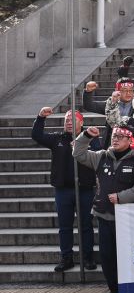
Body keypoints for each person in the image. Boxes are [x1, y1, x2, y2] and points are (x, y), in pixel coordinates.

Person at [73, 126, 134, 293]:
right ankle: (114, 290)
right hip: (104, 214)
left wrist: (121, 197)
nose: (115, 139)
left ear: (130, 140)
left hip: (127, 217)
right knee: (107, 256)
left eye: (121, 137)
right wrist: (86, 135)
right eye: (114, 136)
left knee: (127, 256)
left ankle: (129, 291)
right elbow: (78, 153)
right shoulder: (101, 156)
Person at [32, 108, 99, 273]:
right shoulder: (58, 138)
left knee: (86, 225)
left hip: (84, 188)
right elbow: (37, 135)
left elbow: (98, 154)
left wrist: (85, 140)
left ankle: (88, 257)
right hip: (63, 189)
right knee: (65, 226)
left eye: (73, 120)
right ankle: (66, 257)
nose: (69, 123)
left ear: (81, 123)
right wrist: (40, 118)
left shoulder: (90, 136)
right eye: (67, 120)